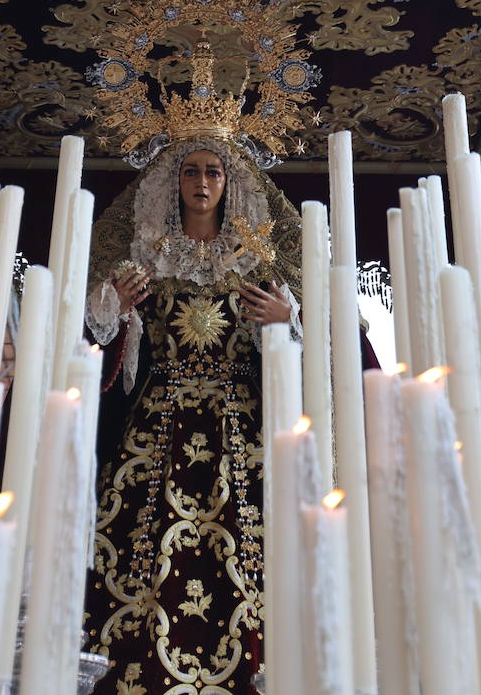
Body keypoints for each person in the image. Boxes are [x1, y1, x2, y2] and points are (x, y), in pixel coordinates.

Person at [83, 137, 303, 695]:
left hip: (240, 430)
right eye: (190, 172)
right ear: (173, 183)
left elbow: (291, 357)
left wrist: (285, 321)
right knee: (140, 547)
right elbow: (108, 353)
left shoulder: (254, 262)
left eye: (213, 172)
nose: (201, 182)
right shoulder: (145, 261)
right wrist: (115, 307)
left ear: (229, 185)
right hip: (158, 428)